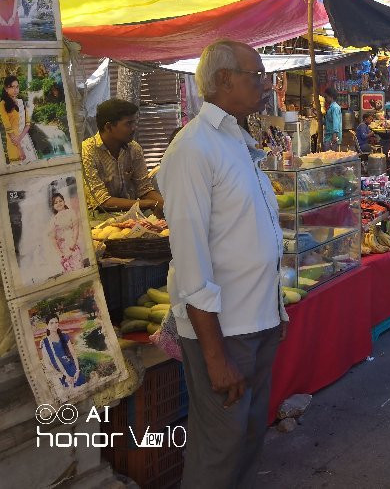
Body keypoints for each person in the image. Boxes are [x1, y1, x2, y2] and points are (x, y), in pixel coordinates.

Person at [160, 39, 286, 487]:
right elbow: (192, 265)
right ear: (221, 81)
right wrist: (215, 357)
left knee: (248, 438)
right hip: (225, 331)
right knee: (220, 447)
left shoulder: (235, 140)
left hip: (258, 321)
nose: (265, 85)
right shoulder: (193, 149)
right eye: (255, 75)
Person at [81, 99, 164, 215]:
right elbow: (101, 201)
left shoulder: (134, 148)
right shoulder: (87, 151)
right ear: (109, 127)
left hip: (132, 217)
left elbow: (144, 188)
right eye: (129, 123)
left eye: (134, 122)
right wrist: (150, 204)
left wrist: (165, 205)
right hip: (97, 221)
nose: (134, 128)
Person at [39, 313, 86, 391]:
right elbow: (47, 363)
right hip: (60, 372)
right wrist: (63, 375)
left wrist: (77, 370)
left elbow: (73, 354)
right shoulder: (45, 342)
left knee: (82, 387)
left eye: (56, 322)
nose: (54, 325)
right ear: (47, 326)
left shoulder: (64, 336)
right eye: (51, 323)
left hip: (72, 368)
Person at [1, 75, 37, 162]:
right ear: (6, 89)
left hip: (25, 139)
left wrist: (20, 138)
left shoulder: (21, 102)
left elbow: (28, 124)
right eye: (12, 87)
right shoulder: (2, 104)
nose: (15, 90)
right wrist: (20, 148)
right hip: (13, 143)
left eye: (17, 87)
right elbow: (8, 128)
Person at [51, 193, 85, 273]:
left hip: (73, 243)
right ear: (53, 206)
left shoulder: (71, 212)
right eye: (56, 203)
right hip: (63, 247)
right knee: (69, 270)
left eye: (60, 201)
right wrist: (60, 253)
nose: (59, 203)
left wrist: (73, 243)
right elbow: (53, 238)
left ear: (64, 201)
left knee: (78, 266)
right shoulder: (54, 220)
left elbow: (76, 228)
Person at [322, 86, 342, 150]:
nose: (325, 99)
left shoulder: (335, 107)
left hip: (332, 136)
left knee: (330, 156)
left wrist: (334, 135)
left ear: (331, 96)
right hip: (329, 135)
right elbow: (327, 121)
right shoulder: (331, 107)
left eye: (326, 97)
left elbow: (336, 122)